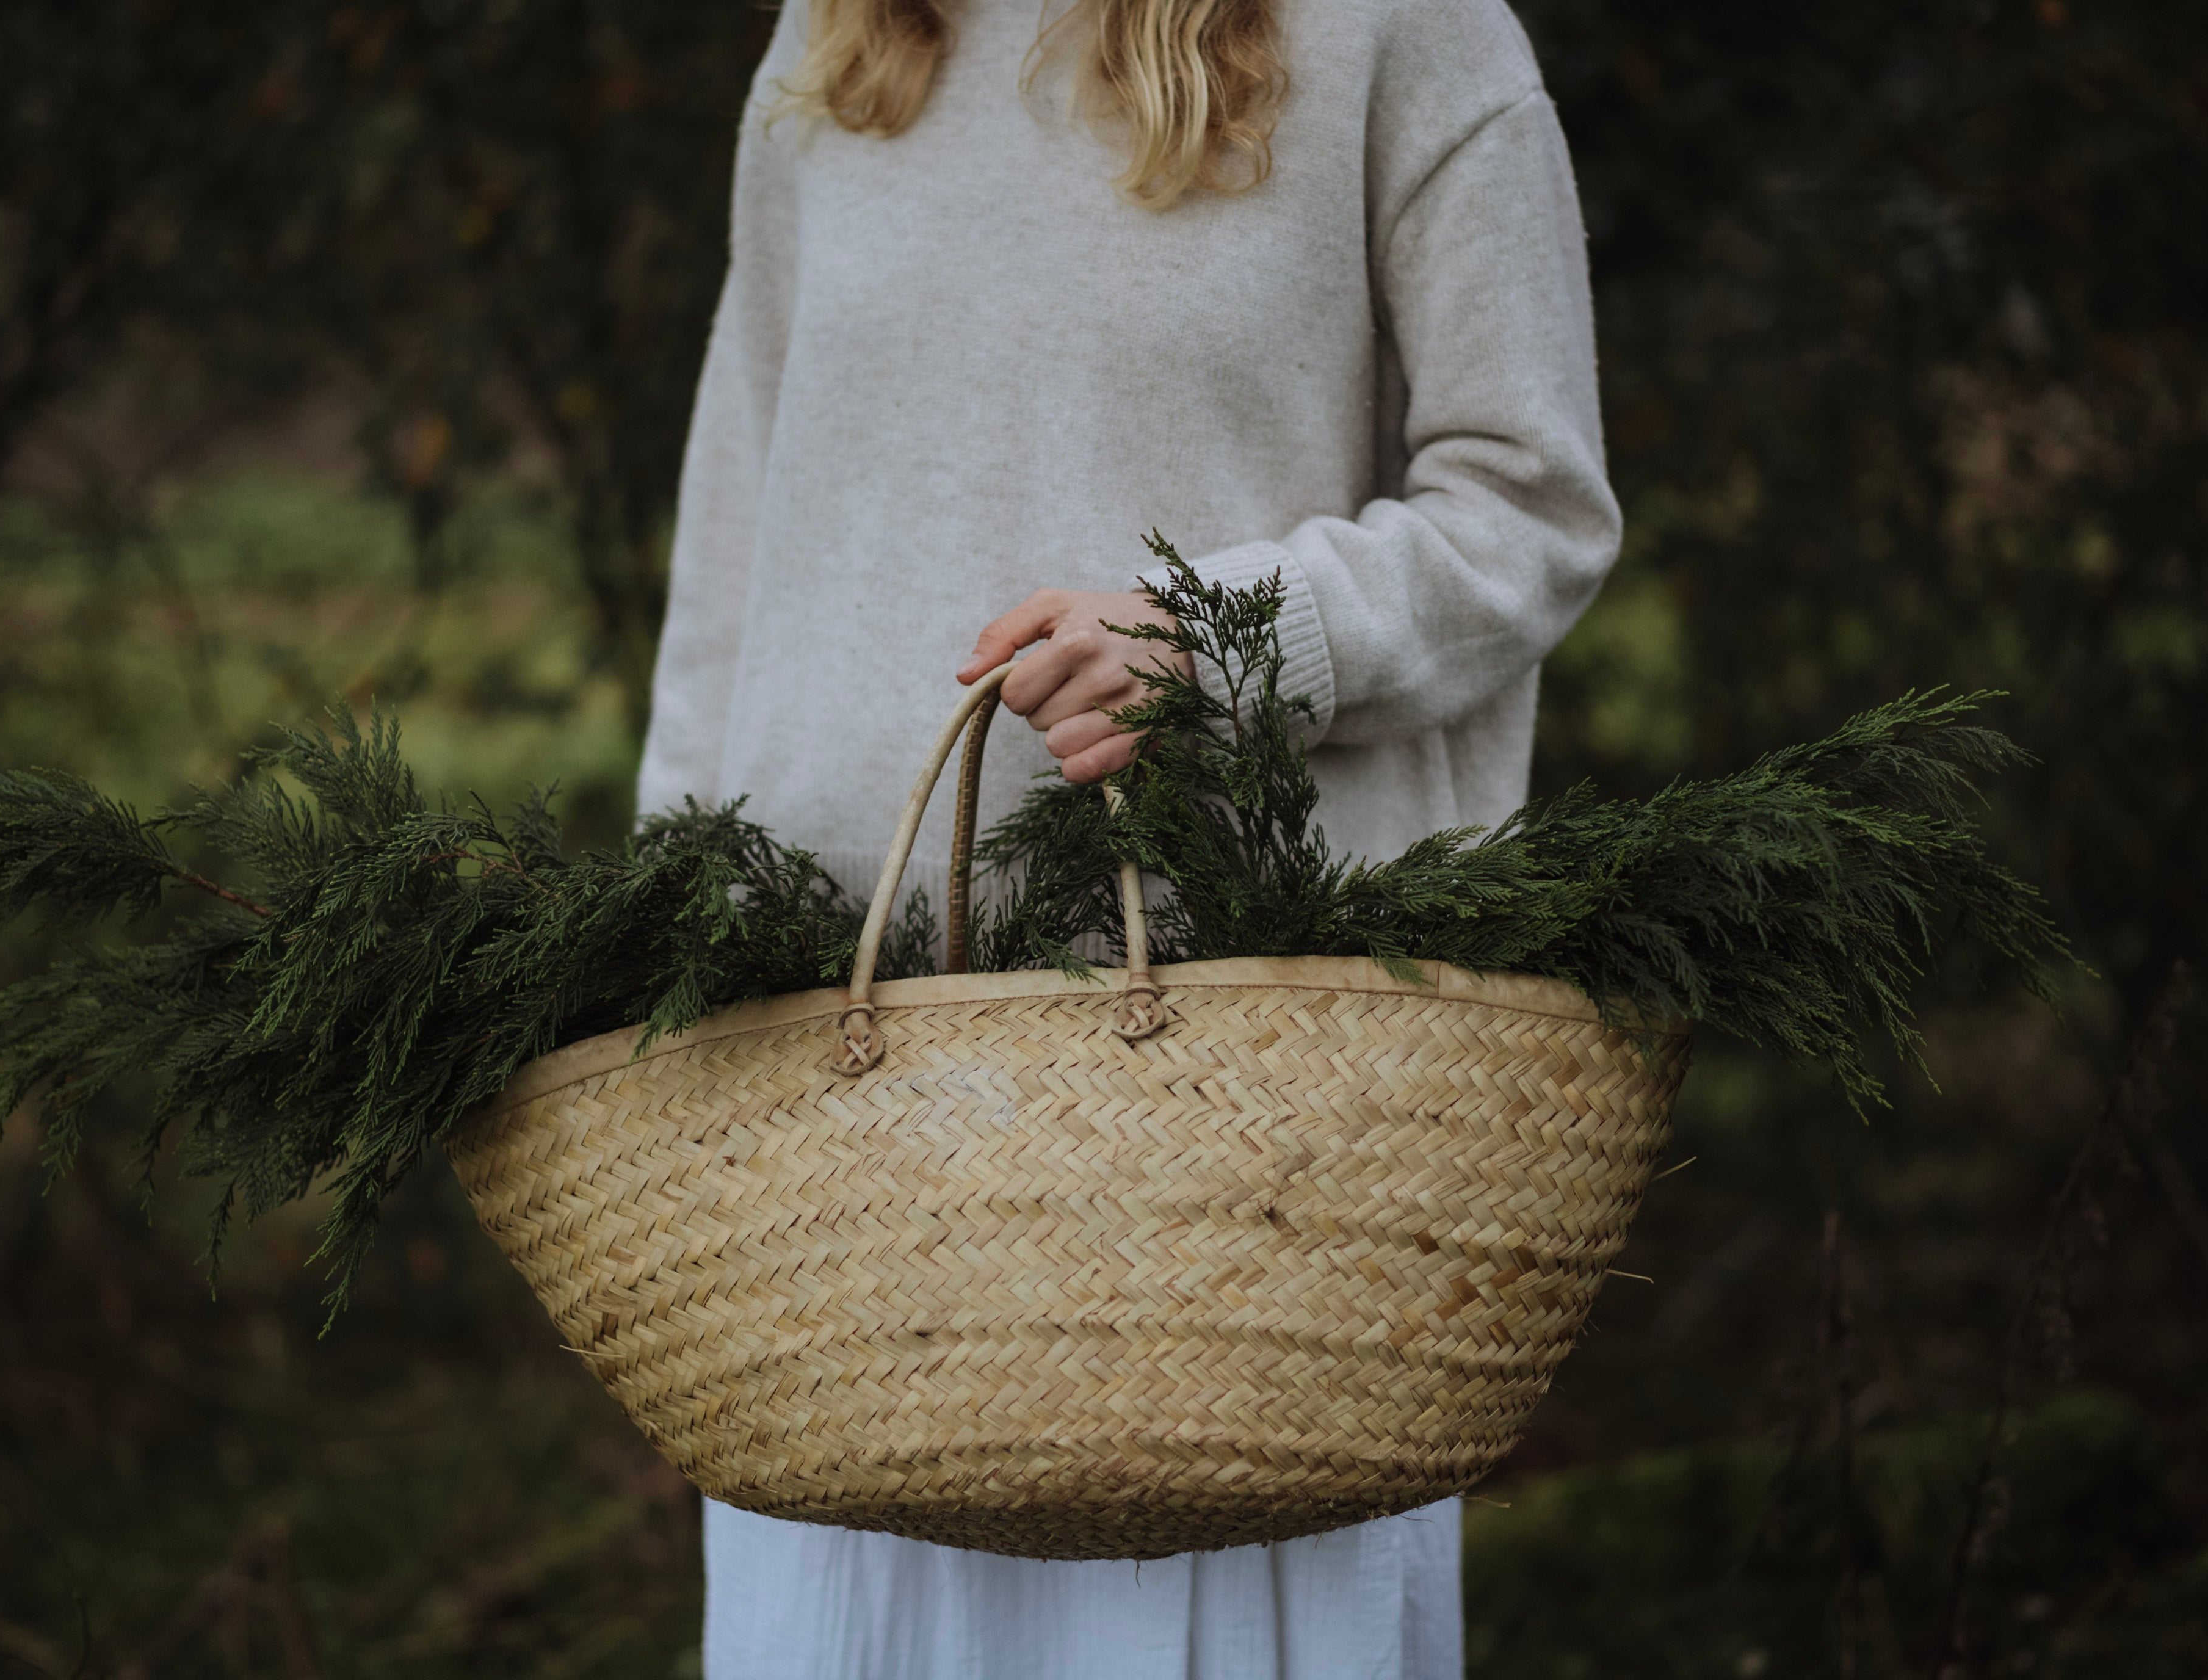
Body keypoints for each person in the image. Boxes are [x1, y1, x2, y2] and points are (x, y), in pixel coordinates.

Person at [635, 0, 1620, 1674]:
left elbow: (1530, 507)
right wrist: (664, 944)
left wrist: (1228, 641)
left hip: (1235, 1155)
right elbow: (738, 539)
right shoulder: (843, 32)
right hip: (836, 1152)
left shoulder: (1410, 31)